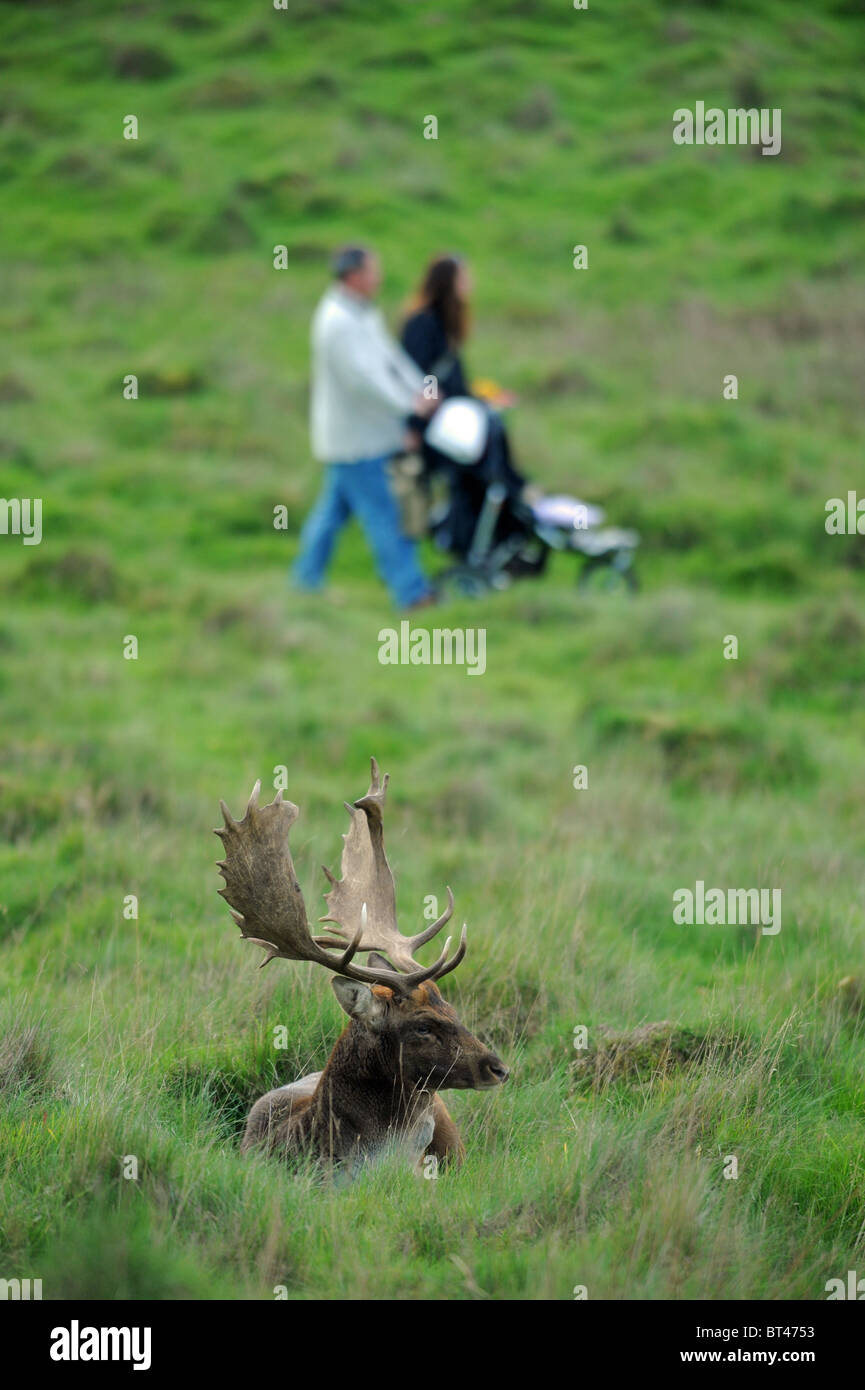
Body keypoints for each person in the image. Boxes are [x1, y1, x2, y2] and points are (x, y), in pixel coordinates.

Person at [292, 245, 436, 609]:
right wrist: (410, 405)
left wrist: (422, 387)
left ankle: (303, 584)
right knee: (385, 515)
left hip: (362, 438)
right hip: (357, 441)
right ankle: (412, 594)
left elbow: (390, 358)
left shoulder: (360, 313)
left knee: (331, 515)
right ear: (354, 276)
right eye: (373, 271)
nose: (379, 278)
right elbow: (364, 380)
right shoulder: (336, 322)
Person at [400, 254, 532, 559]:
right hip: (437, 429)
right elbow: (422, 378)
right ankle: (474, 541)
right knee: (479, 472)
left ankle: (500, 536)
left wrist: (481, 397)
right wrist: (418, 422)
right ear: (447, 283)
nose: (469, 285)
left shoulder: (443, 325)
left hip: (446, 423)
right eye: (463, 279)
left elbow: (447, 381)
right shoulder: (424, 323)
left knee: (488, 453)